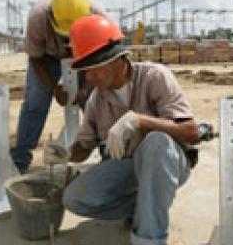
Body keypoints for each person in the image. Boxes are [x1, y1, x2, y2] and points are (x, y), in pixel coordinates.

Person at [44, 14, 199, 245]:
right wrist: (64, 154)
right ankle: (144, 208)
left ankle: (149, 238)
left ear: (117, 60)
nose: (89, 77)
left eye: (94, 69)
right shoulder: (97, 99)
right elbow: (83, 148)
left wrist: (140, 121)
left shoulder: (154, 77)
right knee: (74, 199)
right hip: (129, 168)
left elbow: (191, 131)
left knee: (156, 142)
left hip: (168, 164)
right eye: (85, 70)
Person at [10, 0, 99, 174]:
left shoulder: (98, 18)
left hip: (85, 57)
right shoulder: (38, 18)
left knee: (95, 100)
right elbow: (35, 58)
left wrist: (85, 88)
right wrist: (53, 88)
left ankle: (106, 148)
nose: (68, 42)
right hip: (46, 58)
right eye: (64, 36)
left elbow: (100, 59)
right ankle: (20, 157)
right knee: (35, 101)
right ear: (51, 19)